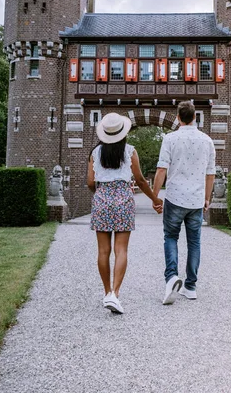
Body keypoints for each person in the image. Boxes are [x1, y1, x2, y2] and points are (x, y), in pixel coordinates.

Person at [88, 112, 163, 314]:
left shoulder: (95, 153)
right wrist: (156, 200)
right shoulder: (130, 151)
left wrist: (102, 193)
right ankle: (115, 293)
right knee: (121, 250)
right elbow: (139, 180)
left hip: (102, 199)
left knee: (103, 251)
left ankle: (106, 293)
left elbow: (89, 182)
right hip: (123, 200)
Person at [153, 101, 215, 305]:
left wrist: (155, 197)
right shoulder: (207, 141)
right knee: (194, 242)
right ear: (195, 117)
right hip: (196, 200)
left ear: (178, 117)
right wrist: (207, 198)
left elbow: (161, 169)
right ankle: (190, 287)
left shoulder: (170, 138)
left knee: (171, 236)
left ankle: (171, 277)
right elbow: (210, 174)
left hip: (175, 197)